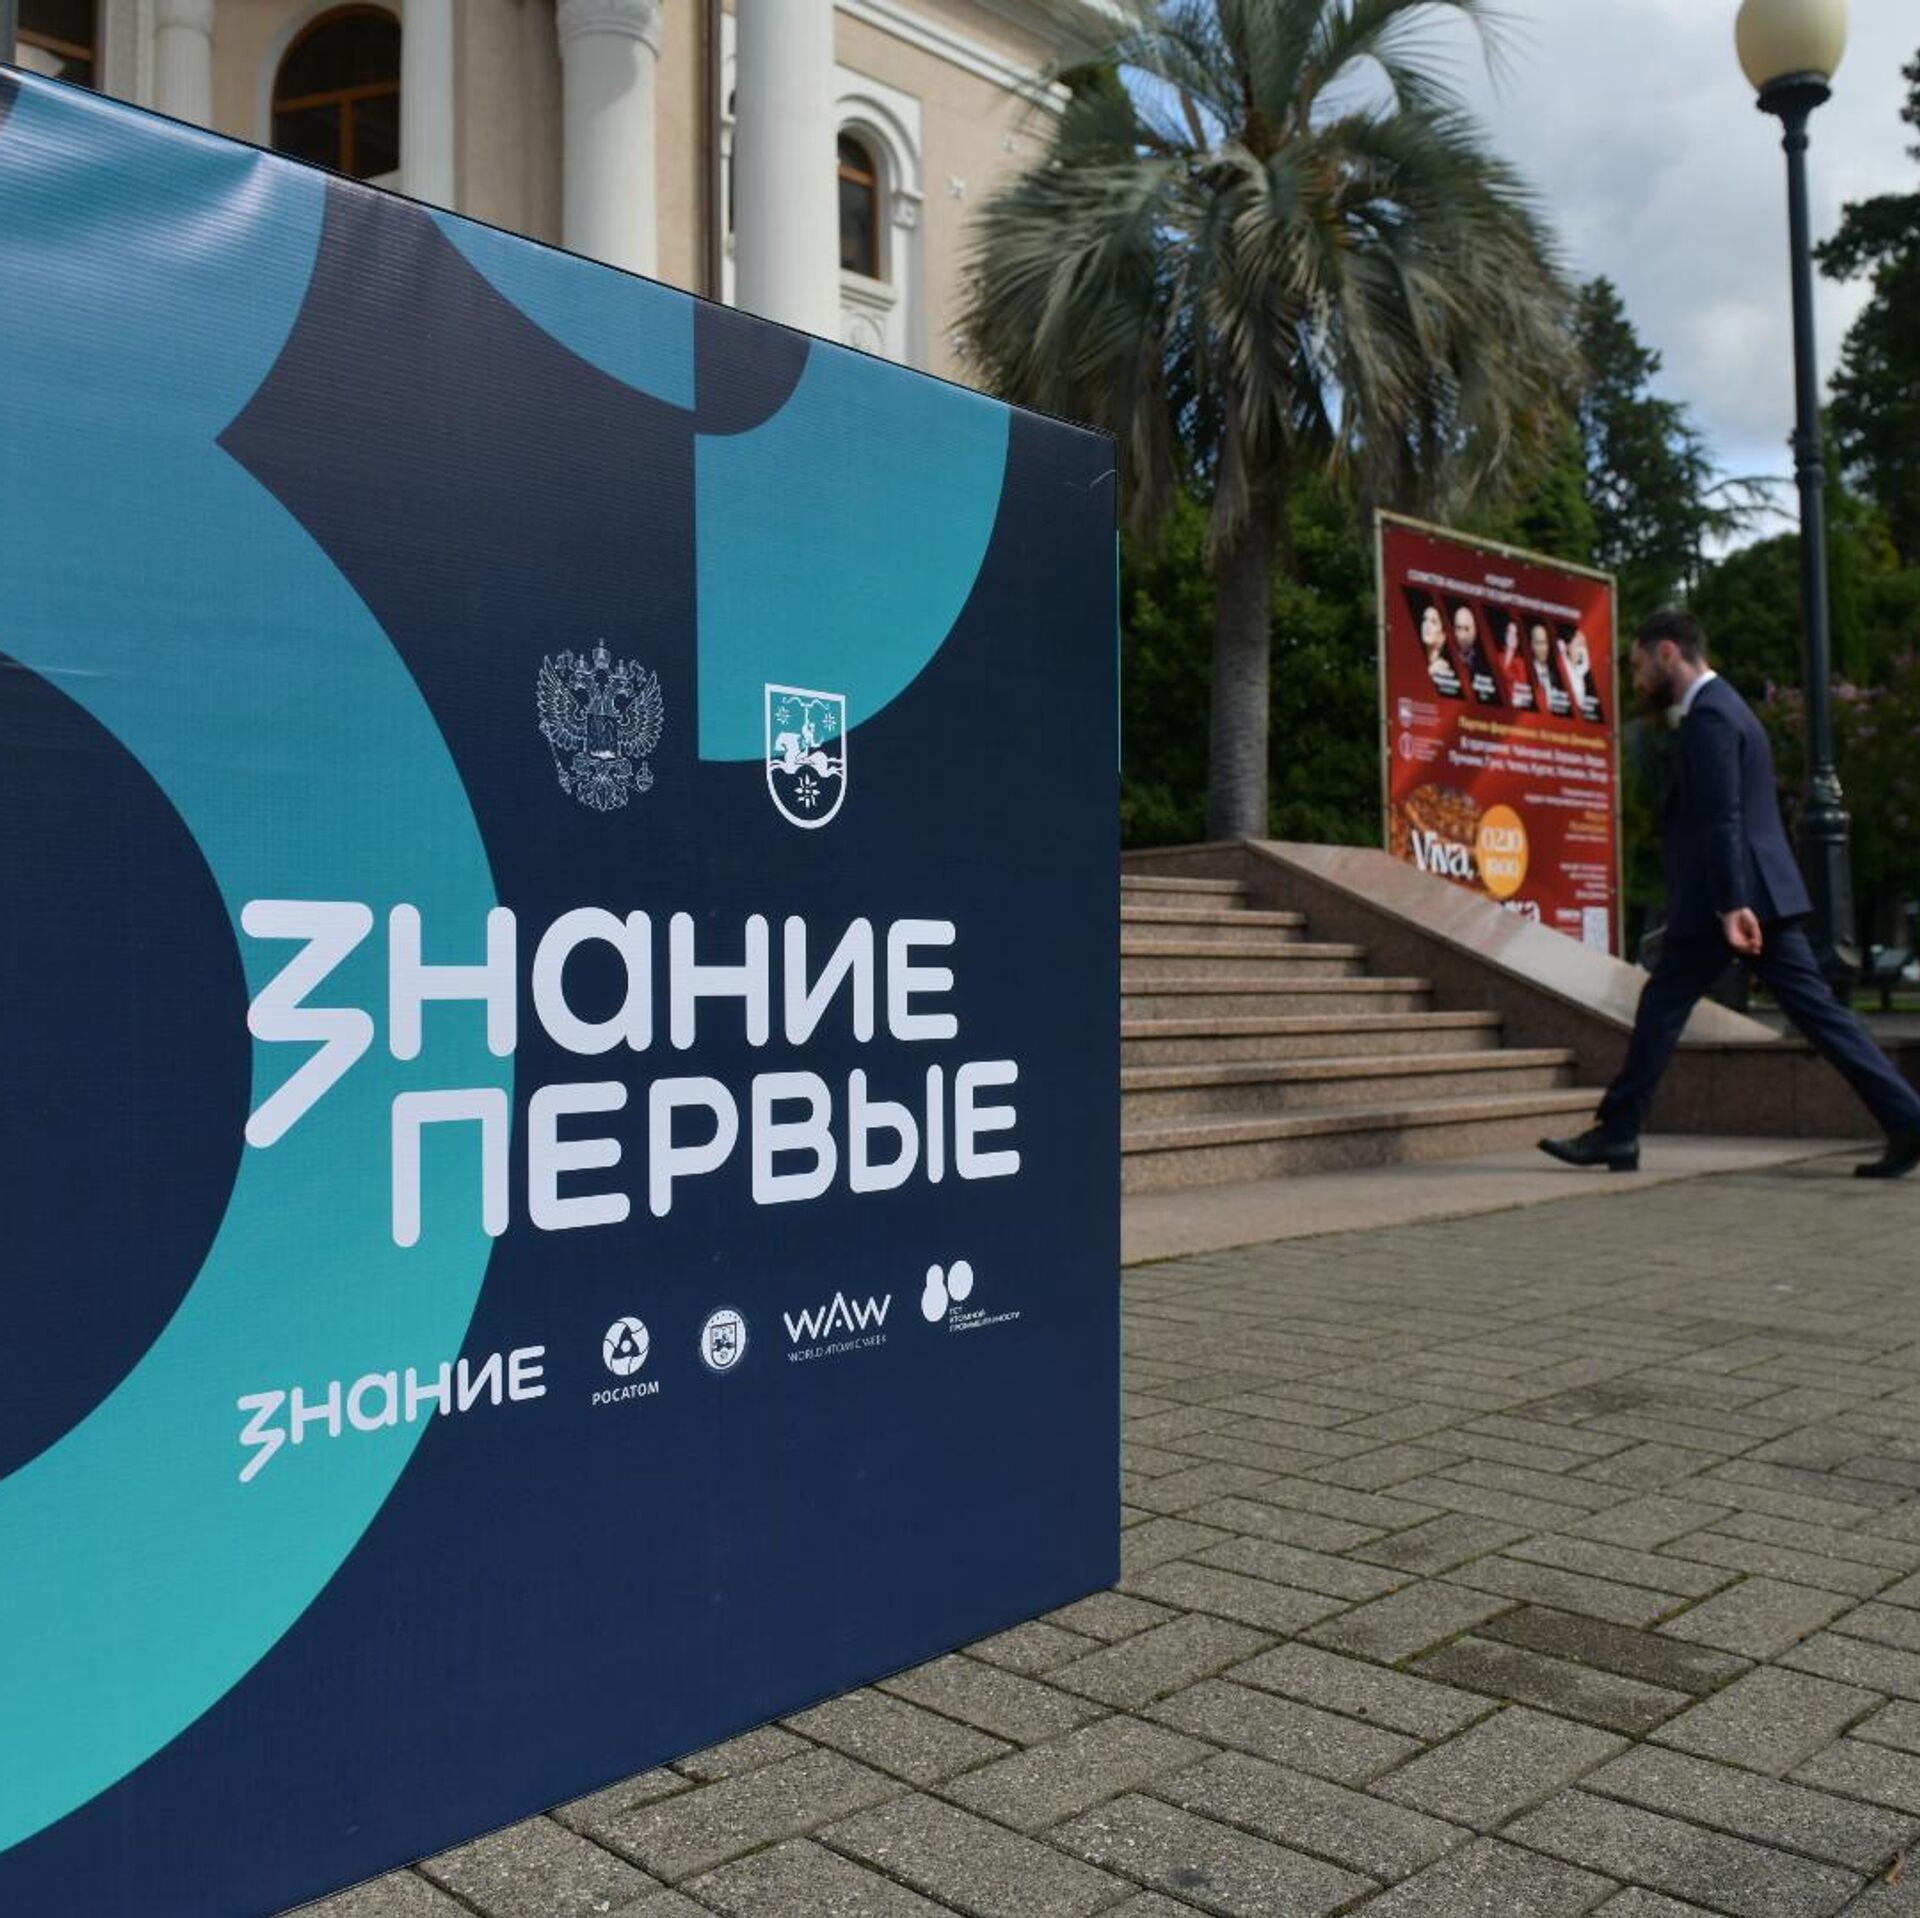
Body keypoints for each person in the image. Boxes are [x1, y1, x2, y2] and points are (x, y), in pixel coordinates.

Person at [1541, 610, 1920, 1179]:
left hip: (1733, 902)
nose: (1637, 680)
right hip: (1749, 896)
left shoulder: (1712, 717)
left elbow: (1723, 817)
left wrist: (1731, 905)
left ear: (1668, 652)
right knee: (1812, 1014)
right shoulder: (1729, 708)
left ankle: (1617, 1134)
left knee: (1670, 1007)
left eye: (1639, 666)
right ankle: (1907, 1118)